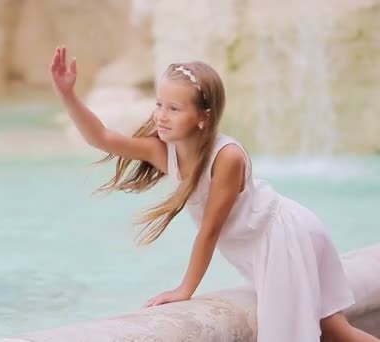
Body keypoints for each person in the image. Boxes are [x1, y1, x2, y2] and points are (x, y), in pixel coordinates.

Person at [49, 46, 379, 342]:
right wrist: (68, 95)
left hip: (284, 238)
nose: (161, 115)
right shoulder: (163, 151)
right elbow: (103, 137)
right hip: (275, 240)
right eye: (159, 104)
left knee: (300, 333)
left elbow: (210, 230)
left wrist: (185, 289)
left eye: (174, 109)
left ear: (203, 117)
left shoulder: (227, 157)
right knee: (335, 331)